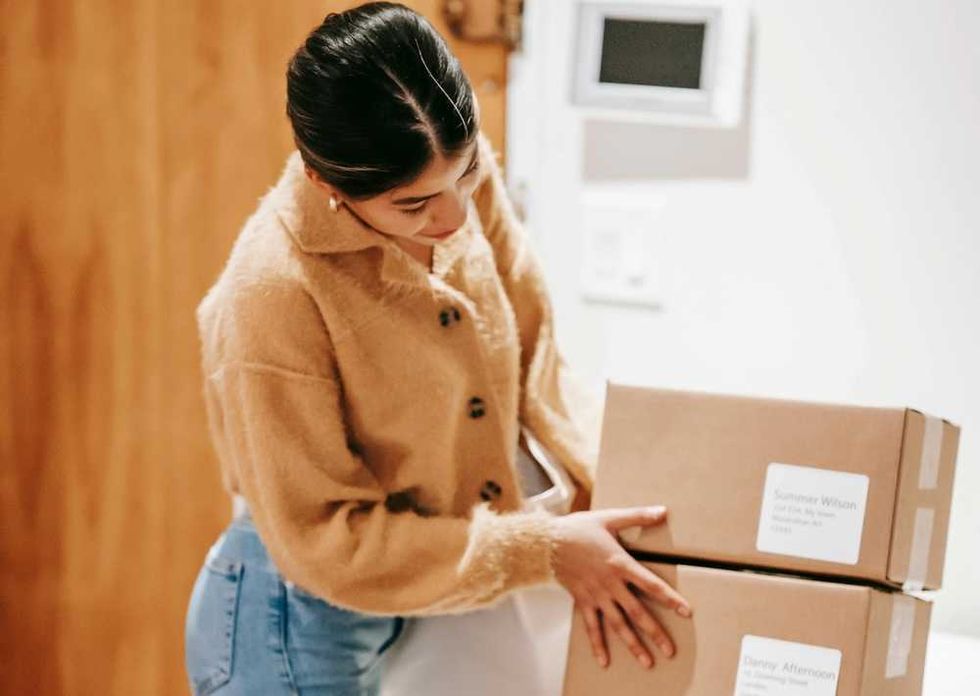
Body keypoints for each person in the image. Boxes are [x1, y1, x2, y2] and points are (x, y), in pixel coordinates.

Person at [183, 3, 692, 694]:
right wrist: (541, 551)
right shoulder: (271, 295)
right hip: (296, 620)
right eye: (414, 206)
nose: (453, 216)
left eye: (469, 170)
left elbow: (538, 366)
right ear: (326, 186)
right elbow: (326, 541)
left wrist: (616, 496)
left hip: (431, 593)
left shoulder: (457, 194)